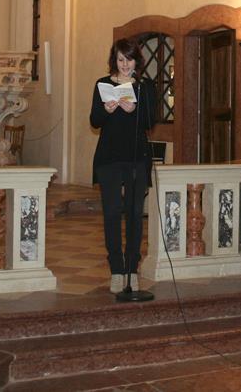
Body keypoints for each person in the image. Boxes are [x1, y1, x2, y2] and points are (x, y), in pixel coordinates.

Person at [90, 38, 157, 294]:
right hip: (109, 158)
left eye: (129, 59)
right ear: (114, 60)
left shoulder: (144, 87)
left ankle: (131, 268)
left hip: (136, 158)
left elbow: (151, 121)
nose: (125, 64)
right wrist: (107, 109)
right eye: (120, 59)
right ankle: (116, 270)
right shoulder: (102, 84)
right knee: (111, 214)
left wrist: (135, 109)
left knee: (133, 214)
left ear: (136, 61)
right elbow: (94, 121)